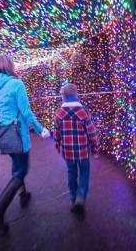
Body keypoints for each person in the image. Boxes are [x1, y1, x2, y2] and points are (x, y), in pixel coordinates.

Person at [0, 54, 50, 233]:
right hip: (18, 134)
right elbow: (26, 112)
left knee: (17, 166)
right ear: (10, 65)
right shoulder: (17, 84)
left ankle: (23, 194)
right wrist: (41, 130)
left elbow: (2, 113)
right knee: (21, 170)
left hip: (5, 135)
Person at [53, 83, 99, 213]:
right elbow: (92, 132)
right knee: (84, 173)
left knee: (71, 173)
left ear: (63, 96)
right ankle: (81, 196)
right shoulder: (83, 112)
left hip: (68, 152)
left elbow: (56, 132)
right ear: (76, 95)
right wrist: (95, 149)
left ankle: (73, 198)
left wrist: (57, 146)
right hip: (83, 151)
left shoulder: (59, 113)